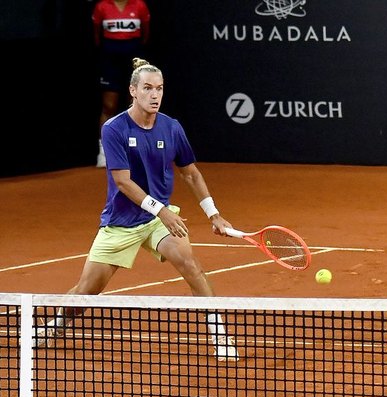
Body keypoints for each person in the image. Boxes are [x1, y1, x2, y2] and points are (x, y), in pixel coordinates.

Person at [35, 58, 239, 361]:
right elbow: (123, 183)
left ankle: (220, 335)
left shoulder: (172, 127)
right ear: (133, 90)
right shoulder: (114, 128)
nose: (155, 95)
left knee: (191, 266)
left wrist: (213, 214)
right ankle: (58, 324)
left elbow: (191, 173)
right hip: (122, 222)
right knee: (87, 291)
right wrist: (163, 212)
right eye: (147, 88)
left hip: (158, 220)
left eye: (159, 88)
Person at [93, 0, 151, 167]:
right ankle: (104, 152)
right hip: (110, 61)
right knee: (108, 105)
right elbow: (97, 36)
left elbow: (145, 36)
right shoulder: (102, 6)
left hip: (133, 59)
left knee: (135, 105)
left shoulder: (139, 5)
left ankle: (135, 150)